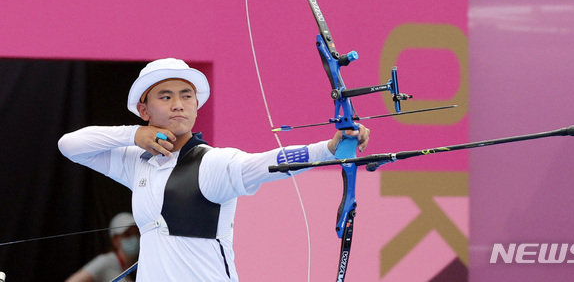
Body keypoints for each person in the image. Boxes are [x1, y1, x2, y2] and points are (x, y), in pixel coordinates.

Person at [58, 58, 370, 281]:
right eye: (165, 97)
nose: (178, 104)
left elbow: (266, 163)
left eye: (186, 95)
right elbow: (70, 145)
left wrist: (330, 149)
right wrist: (133, 134)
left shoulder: (213, 163)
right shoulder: (136, 162)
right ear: (144, 110)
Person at [65, 212, 139, 282]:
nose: (134, 238)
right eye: (127, 234)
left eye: (136, 234)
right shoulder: (105, 262)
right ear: (115, 240)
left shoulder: (137, 265)